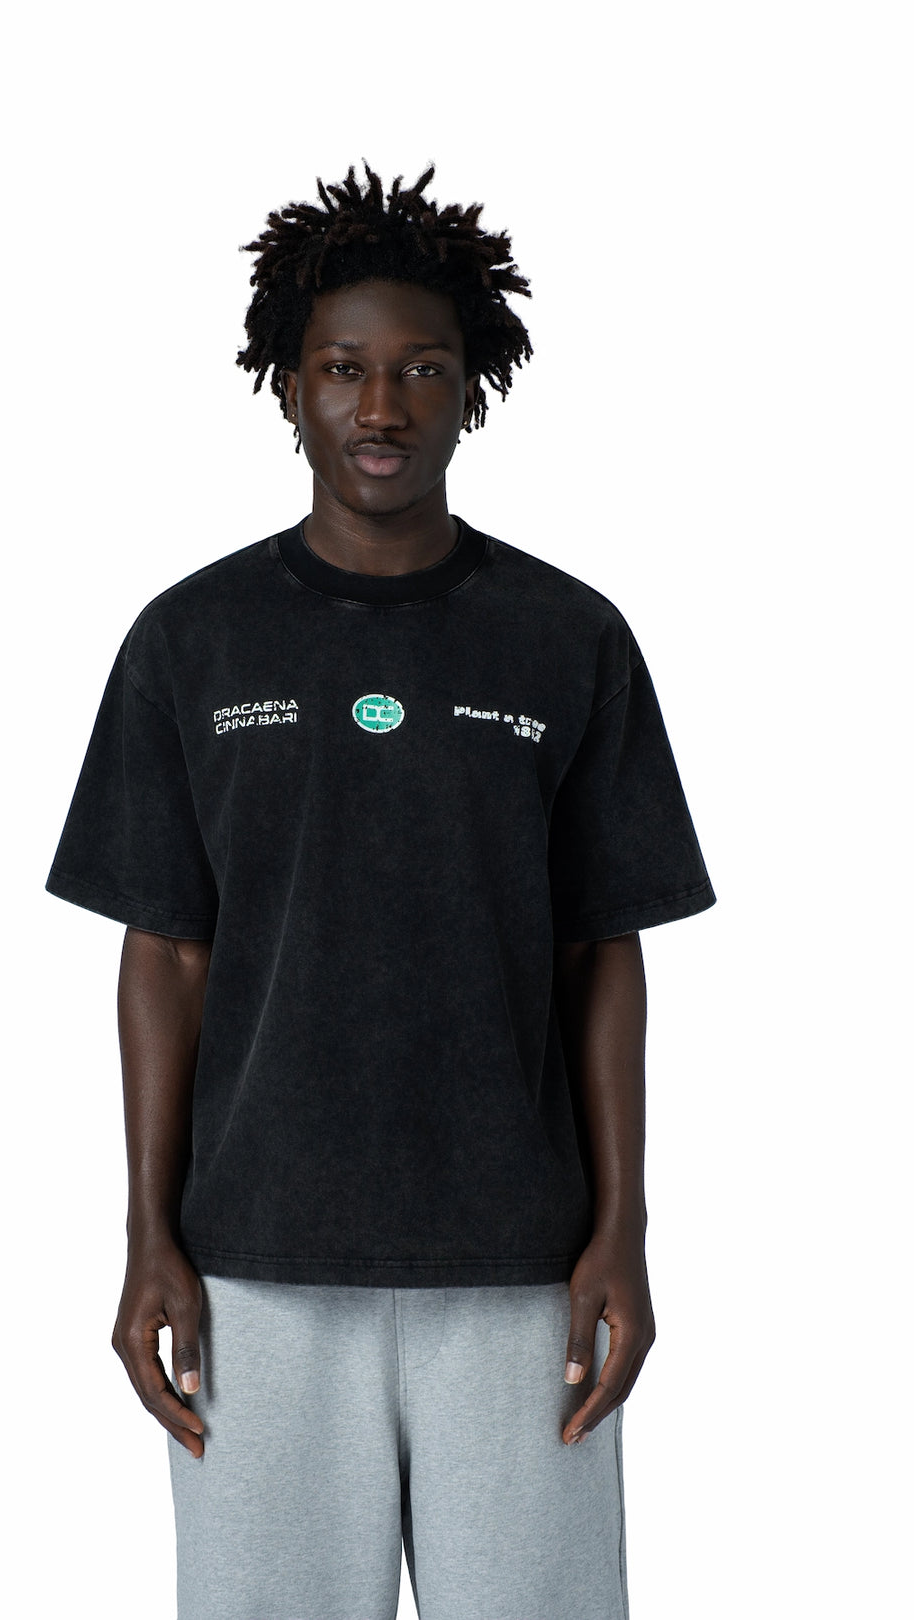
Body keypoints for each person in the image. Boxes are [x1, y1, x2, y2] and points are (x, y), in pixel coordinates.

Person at [45, 162, 716, 1620]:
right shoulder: (191, 642)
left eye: (422, 368)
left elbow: (604, 950)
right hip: (256, 1270)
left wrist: (624, 1230)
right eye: (344, 367)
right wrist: (149, 1235)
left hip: (521, 1272)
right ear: (288, 386)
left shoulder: (567, 638)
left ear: (473, 388)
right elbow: (165, 953)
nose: (382, 405)